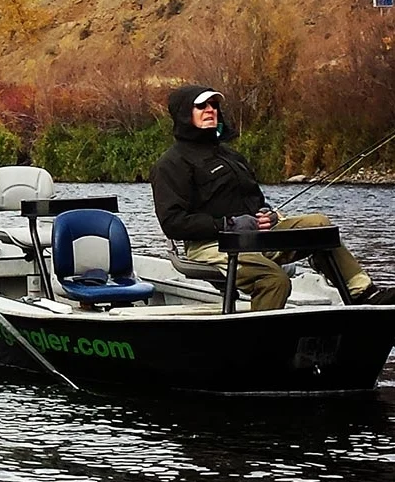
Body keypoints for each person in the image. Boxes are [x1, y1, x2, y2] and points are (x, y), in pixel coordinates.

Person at [151, 84, 394, 311]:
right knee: (274, 280)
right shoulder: (171, 164)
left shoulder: (232, 157)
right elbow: (173, 222)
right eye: (202, 106)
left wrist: (267, 215)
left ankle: (363, 295)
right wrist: (227, 225)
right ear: (184, 113)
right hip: (211, 246)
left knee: (319, 224)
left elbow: (256, 201)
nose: (211, 110)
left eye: (214, 106)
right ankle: (257, 346)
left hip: (257, 238)